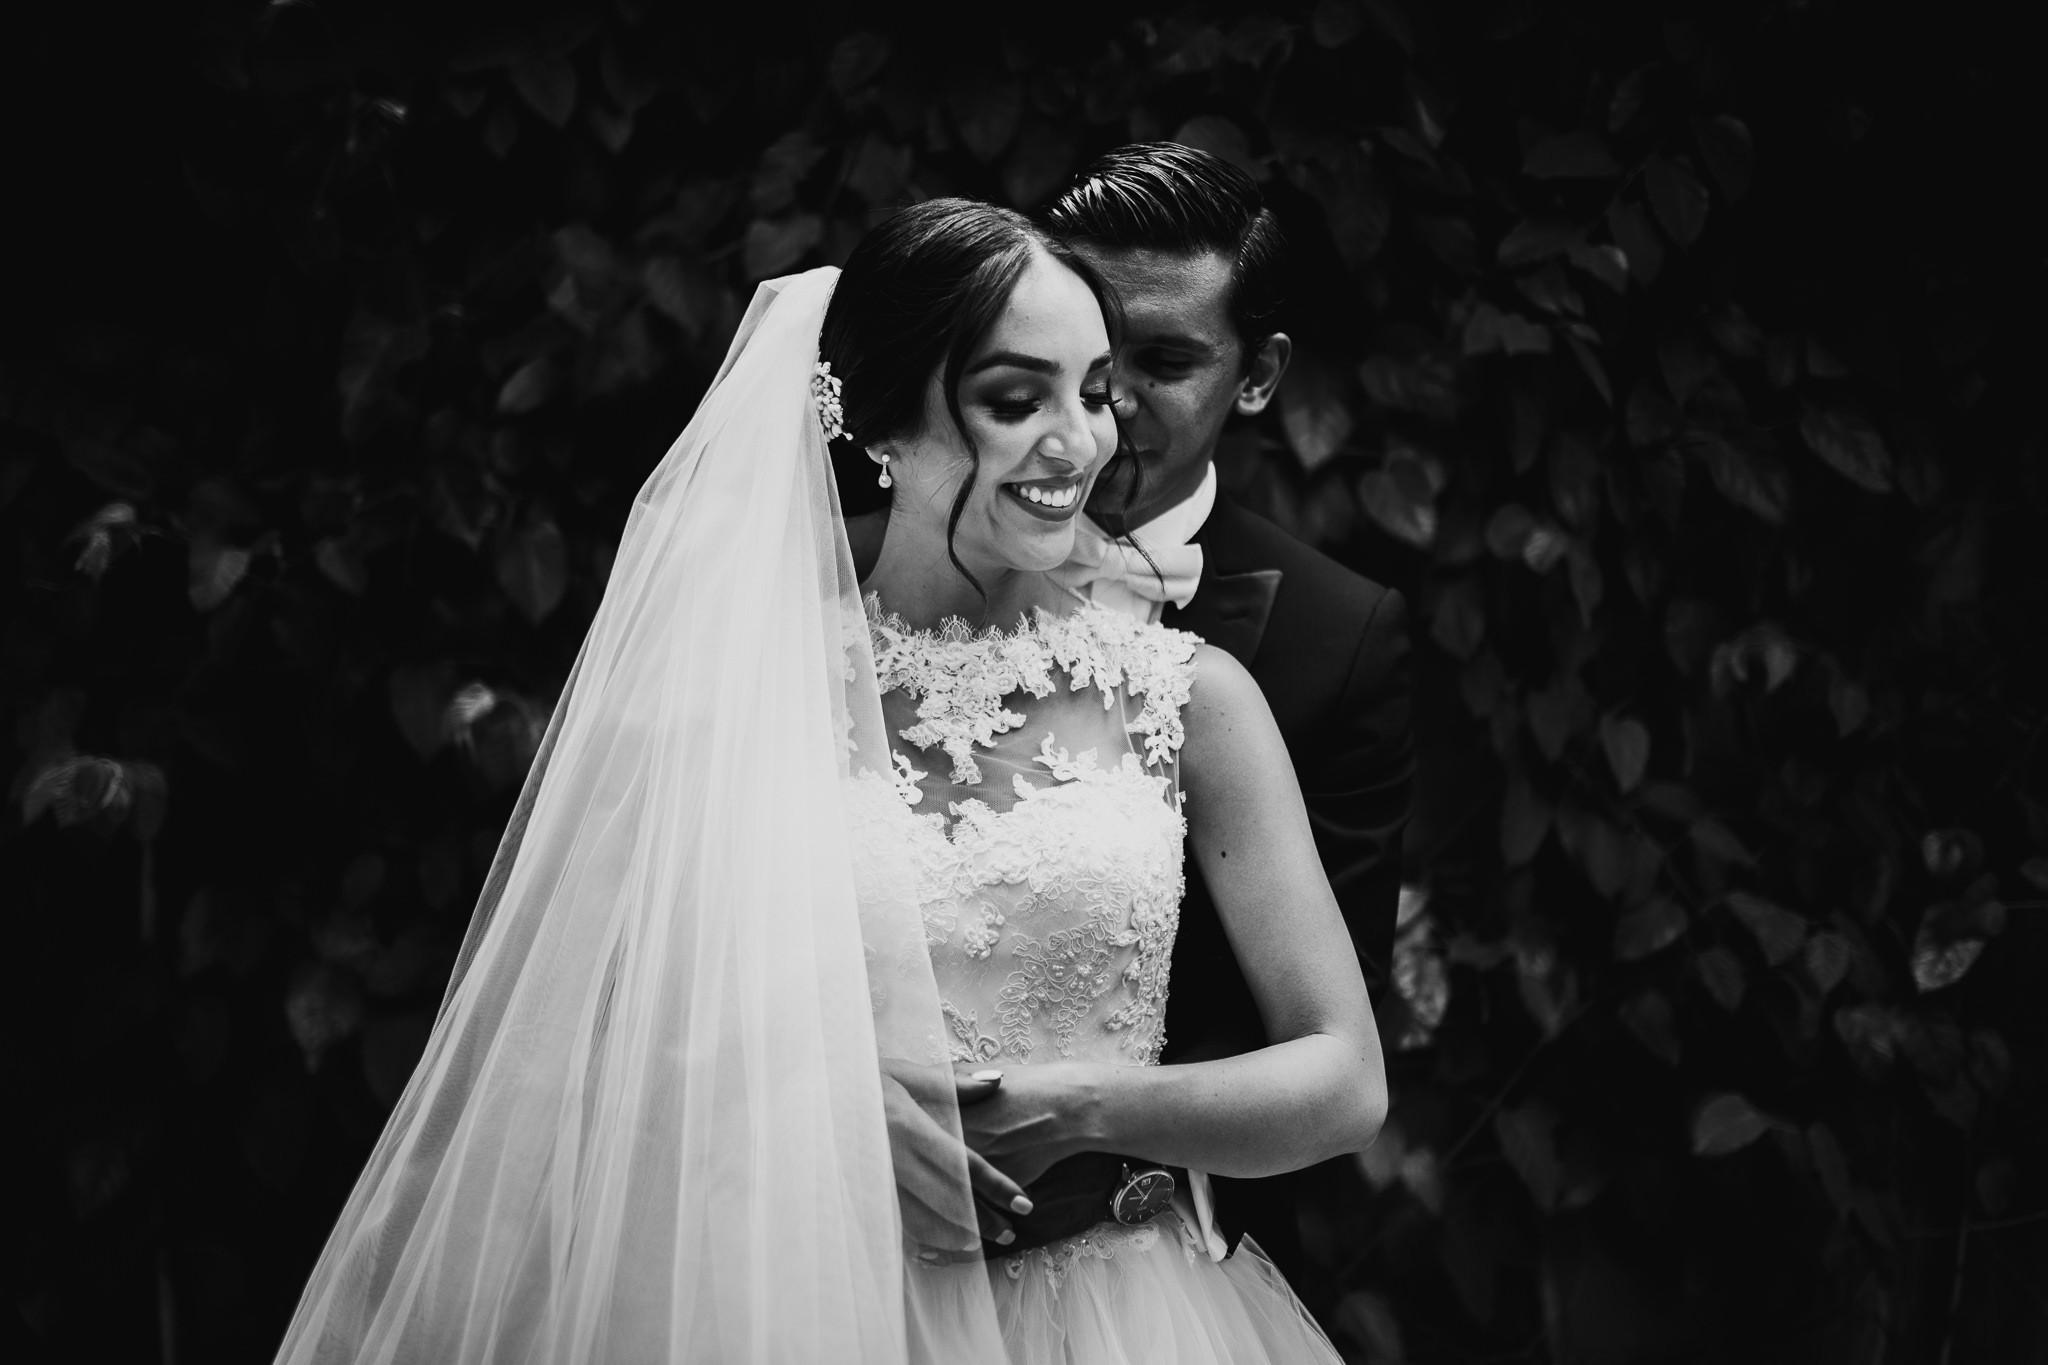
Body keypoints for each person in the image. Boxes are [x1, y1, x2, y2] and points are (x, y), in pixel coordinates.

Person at [275, 198, 1383, 1365]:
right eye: (1017, 401)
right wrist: (829, 1111)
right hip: (793, 1309)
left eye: (1094, 392)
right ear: (883, 421)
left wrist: (1079, 1107)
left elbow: (1342, 1082)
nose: (1079, 443)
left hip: (1113, 1317)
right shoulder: (741, 689)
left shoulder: (1191, 700)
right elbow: (586, 1049)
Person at [1039, 143, 1414, 1287]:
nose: (1106, 399)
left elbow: (1317, 1039)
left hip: (1155, 1255)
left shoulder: (1334, 640)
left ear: (1256, 376)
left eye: (1163, 361)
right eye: (1081, 341)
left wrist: (1073, 1135)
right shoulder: (883, 579)